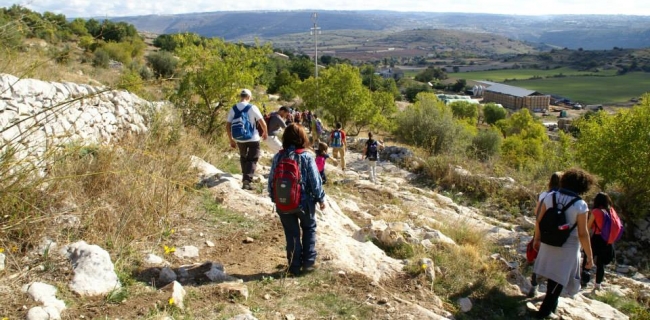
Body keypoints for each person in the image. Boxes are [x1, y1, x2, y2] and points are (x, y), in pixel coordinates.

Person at [532, 168, 595, 319]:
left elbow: (539, 220)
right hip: (568, 247)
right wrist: (590, 256)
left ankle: (551, 310)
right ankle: (544, 312)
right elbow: (583, 233)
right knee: (558, 280)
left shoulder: (550, 196)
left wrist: (537, 238)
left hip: (548, 241)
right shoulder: (580, 205)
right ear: (583, 186)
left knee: (552, 278)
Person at [268, 124, 327, 276]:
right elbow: (315, 181)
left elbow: (271, 180)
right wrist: (321, 198)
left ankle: (294, 267)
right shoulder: (306, 156)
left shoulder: (278, 156)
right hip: (304, 203)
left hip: (284, 203)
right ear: (302, 138)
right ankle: (308, 264)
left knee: (291, 234)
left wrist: (275, 198)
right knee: (309, 228)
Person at [529, 172, 563, 297]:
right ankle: (550, 291)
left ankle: (534, 286)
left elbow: (536, 213)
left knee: (539, 258)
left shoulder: (544, 194)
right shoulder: (563, 196)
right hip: (558, 233)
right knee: (555, 260)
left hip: (542, 229)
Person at [226, 89, 268, 190]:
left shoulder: (233, 108)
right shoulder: (252, 107)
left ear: (241, 96)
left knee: (243, 157)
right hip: (253, 138)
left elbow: (228, 126)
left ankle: (245, 177)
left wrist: (231, 140)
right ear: (249, 97)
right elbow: (262, 122)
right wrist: (265, 132)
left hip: (239, 138)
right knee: (253, 159)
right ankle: (247, 181)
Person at [582, 192, 617, 290]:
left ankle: (584, 282)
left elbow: (587, 227)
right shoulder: (611, 211)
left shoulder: (596, 212)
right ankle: (598, 285)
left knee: (588, 258)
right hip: (607, 240)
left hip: (597, 238)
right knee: (601, 264)